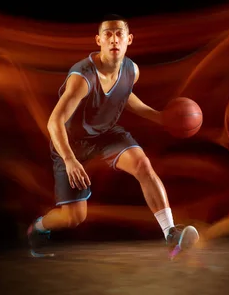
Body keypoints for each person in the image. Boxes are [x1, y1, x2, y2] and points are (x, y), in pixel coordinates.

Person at [26, 14, 199, 259]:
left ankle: (170, 233)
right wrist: (69, 159)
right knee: (74, 217)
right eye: (108, 34)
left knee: (143, 165)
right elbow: (54, 121)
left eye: (119, 34)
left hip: (106, 134)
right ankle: (39, 228)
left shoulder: (131, 70)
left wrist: (158, 116)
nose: (114, 39)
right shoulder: (82, 77)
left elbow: (124, 94)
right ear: (99, 40)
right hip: (71, 144)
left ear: (129, 40)